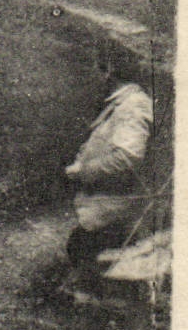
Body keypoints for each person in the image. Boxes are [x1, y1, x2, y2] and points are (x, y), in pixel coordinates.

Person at [62, 78, 155, 291]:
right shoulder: (120, 103)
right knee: (81, 246)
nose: (98, 75)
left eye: (104, 67)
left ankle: (95, 301)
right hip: (108, 202)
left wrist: (84, 171)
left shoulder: (134, 105)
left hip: (121, 205)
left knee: (85, 247)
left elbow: (127, 157)